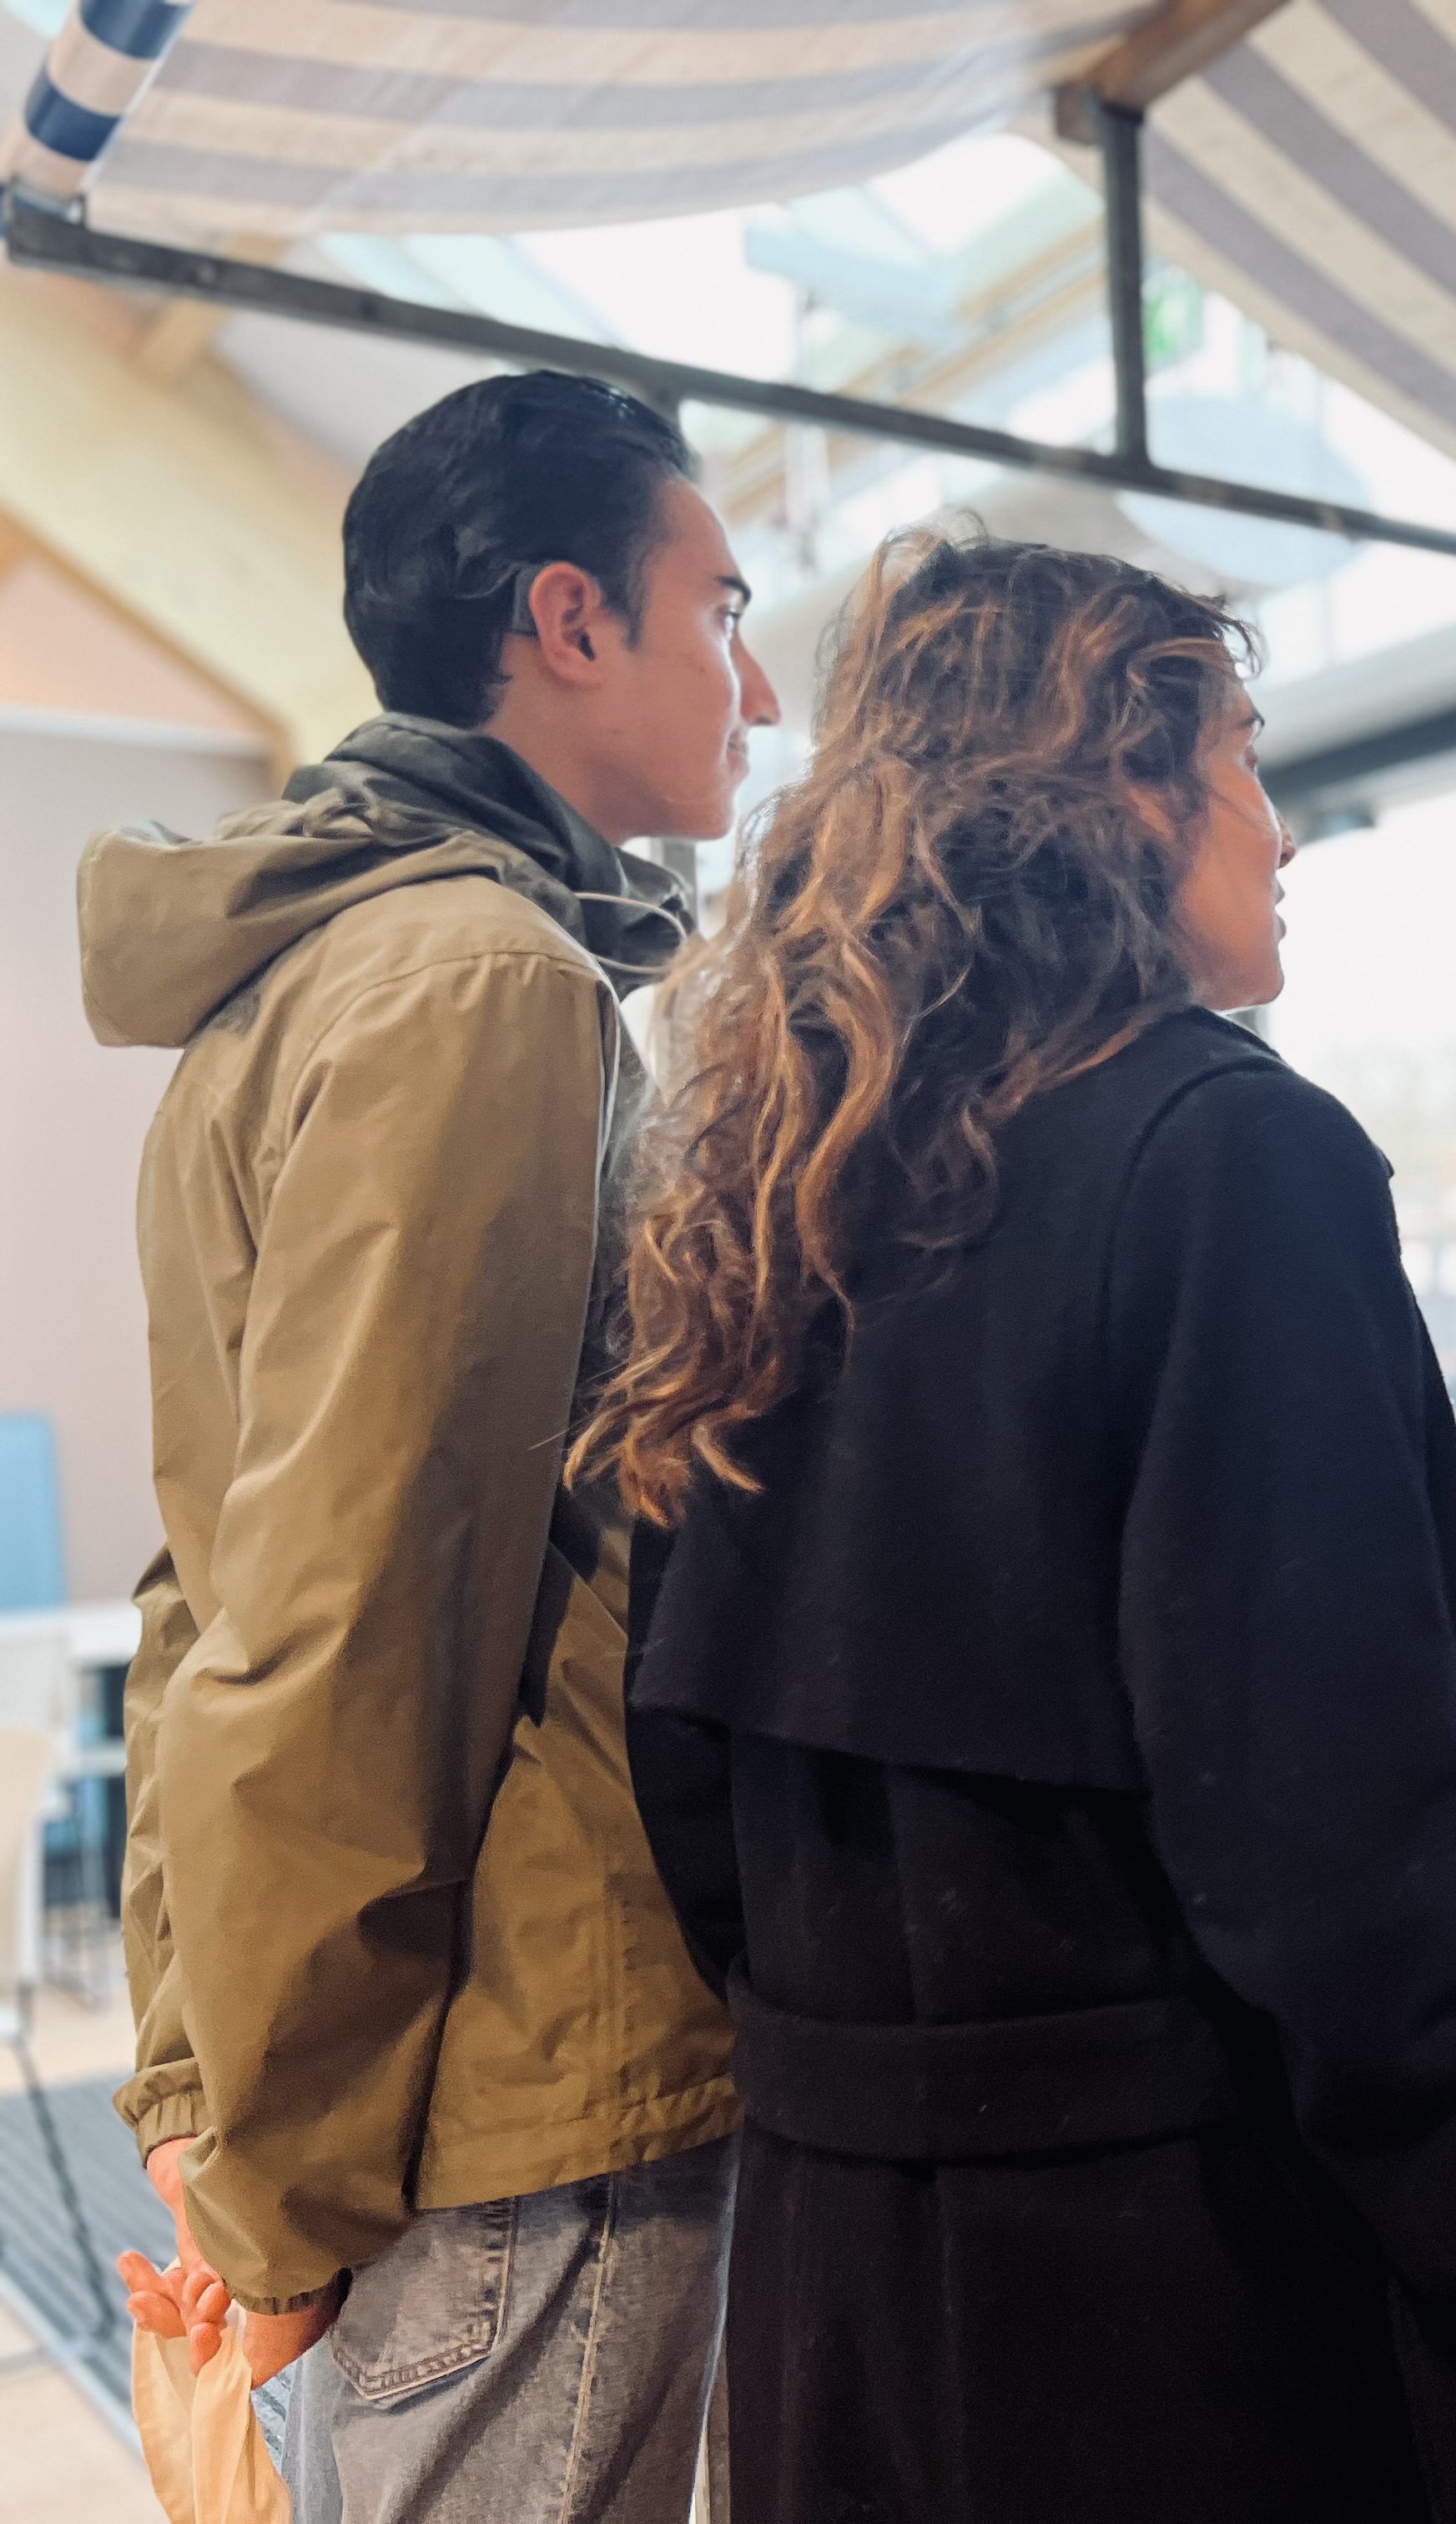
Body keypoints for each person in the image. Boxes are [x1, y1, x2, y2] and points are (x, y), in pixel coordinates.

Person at [580, 532, 1456, 2524]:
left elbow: (691, 1775)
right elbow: (1347, 1852)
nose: (1283, 823)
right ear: (1124, 786)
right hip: (1192, 2319)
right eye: (1241, 749)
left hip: (842, 2297)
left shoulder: (782, 1182)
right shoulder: (1227, 1151)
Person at [83, 371, 773, 2516]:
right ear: (568, 622)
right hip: (518, 2087)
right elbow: (352, 1616)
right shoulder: (478, 985)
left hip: (433, 2071)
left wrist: (222, 2068)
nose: (753, 680)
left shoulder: (340, 966)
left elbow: (229, 1583)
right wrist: (275, 2173)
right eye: (718, 607)